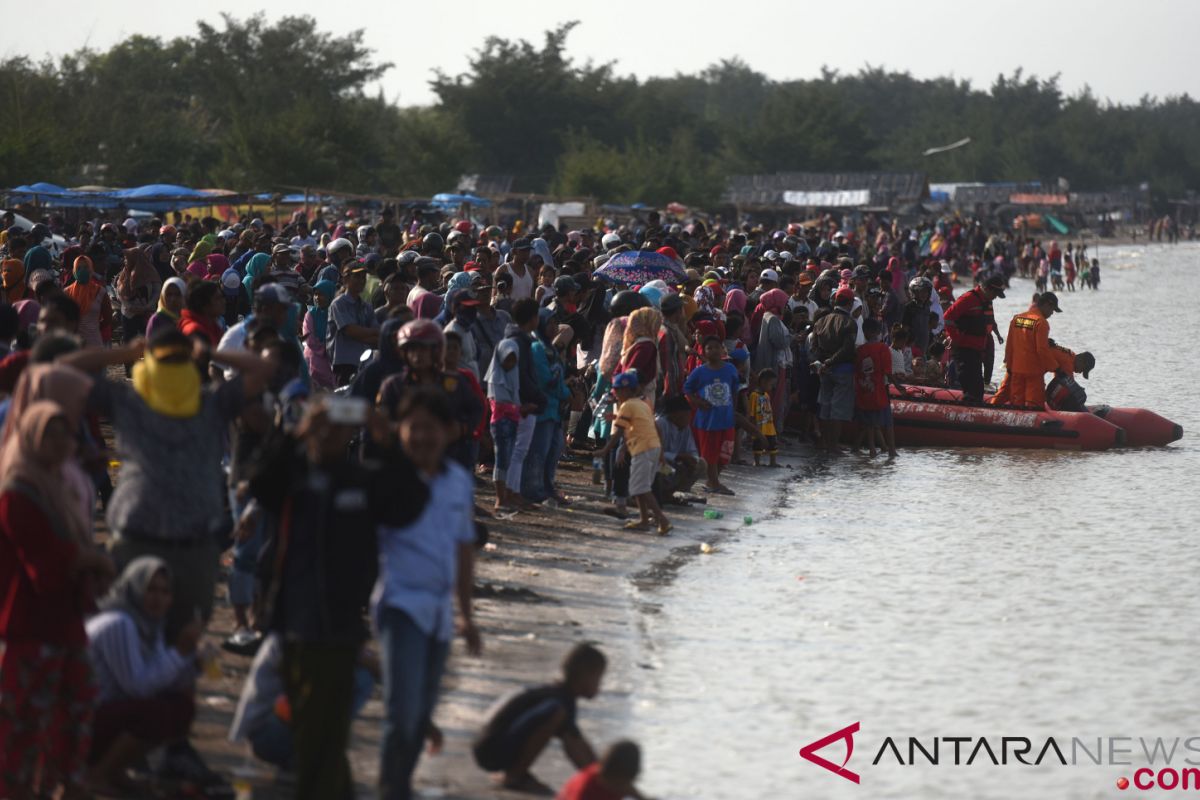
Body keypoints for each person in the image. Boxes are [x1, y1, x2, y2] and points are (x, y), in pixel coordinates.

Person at [245, 394, 430, 800]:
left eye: (339, 426)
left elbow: (411, 501)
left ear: (351, 432)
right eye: (323, 425)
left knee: (320, 736)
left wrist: (386, 440)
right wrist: (294, 433)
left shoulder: (360, 480)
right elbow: (259, 482)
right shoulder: (292, 479)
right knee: (317, 737)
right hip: (293, 622)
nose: (329, 433)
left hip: (341, 628)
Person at [61, 329, 273, 640]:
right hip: (160, 544)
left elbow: (67, 367)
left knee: (166, 651)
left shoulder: (142, 402)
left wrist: (128, 352)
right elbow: (262, 369)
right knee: (136, 645)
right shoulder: (203, 403)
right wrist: (207, 352)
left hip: (176, 544)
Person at [0, 401, 113, 800]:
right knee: (24, 731)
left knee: (73, 719)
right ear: (31, 437)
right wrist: (90, 559)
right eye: (52, 433)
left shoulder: (62, 487)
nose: (62, 442)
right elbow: (42, 562)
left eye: (66, 433)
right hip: (30, 628)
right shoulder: (17, 490)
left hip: (67, 623)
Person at [374, 386, 481, 800]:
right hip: (399, 603)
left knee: (420, 712)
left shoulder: (457, 481)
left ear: (449, 431)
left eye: (429, 428)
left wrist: (466, 615)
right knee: (401, 713)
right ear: (399, 430)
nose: (420, 437)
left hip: (439, 612)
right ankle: (391, 789)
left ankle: (400, 786)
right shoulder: (389, 478)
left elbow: (463, 550)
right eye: (412, 427)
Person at [85, 558, 201, 796]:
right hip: (81, 722)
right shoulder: (119, 622)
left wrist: (192, 662)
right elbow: (138, 687)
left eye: (164, 592)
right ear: (133, 588)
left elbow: (160, 678)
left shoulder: (150, 625)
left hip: (105, 714)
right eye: (150, 589)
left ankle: (114, 771)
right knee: (158, 712)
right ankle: (97, 776)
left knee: (181, 705)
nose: (157, 599)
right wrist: (179, 653)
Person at [474, 644, 608, 794]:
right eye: (599, 679)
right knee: (555, 714)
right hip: (491, 750)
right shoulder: (560, 702)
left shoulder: (560, 694)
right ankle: (515, 775)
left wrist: (602, 778)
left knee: (561, 721)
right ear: (585, 676)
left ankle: (517, 772)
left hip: (488, 746)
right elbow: (573, 748)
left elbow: (577, 743)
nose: (600, 686)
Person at [597, 371, 671, 534]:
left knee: (640, 488)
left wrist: (605, 450)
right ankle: (644, 520)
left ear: (625, 391)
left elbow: (618, 433)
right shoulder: (642, 404)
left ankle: (662, 519)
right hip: (653, 447)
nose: (614, 394)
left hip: (642, 449)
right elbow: (650, 424)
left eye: (616, 390)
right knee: (641, 486)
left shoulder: (627, 406)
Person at [683, 336, 740, 495]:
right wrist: (697, 402)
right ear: (704, 351)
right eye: (709, 348)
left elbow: (735, 390)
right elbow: (687, 390)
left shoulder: (730, 369)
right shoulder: (699, 372)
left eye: (717, 347)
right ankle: (714, 483)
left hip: (727, 419)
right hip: (707, 421)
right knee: (709, 453)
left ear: (723, 349)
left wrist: (734, 410)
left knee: (725, 453)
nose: (714, 351)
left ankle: (712, 480)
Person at [942, 274, 1005, 404]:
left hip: (978, 350)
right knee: (971, 389)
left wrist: (997, 335)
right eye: (995, 293)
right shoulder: (968, 299)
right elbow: (947, 317)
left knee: (978, 389)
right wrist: (956, 338)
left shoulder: (987, 301)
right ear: (987, 288)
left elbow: (989, 320)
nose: (995, 297)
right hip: (964, 350)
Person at [811, 288, 859, 453]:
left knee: (825, 407)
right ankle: (833, 446)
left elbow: (814, 347)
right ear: (850, 303)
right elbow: (847, 349)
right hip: (842, 369)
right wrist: (831, 362)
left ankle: (825, 443)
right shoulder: (849, 322)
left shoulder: (821, 321)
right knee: (838, 410)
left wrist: (822, 363)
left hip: (824, 370)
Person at [999, 292, 1062, 408]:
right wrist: (1056, 368)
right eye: (1052, 309)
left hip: (1016, 370)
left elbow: (1010, 345)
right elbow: (1042, 350)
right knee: (1035, 407)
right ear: (1047, 305)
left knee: (1017, 406)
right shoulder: (1041, 322)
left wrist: (1009, 365)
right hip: (1033, 373)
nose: (1052, 313)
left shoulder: (1017, 318)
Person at [327, 262, 379, 386]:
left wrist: (368, 334)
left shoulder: (367, 306)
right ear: (346, 279)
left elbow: (376, 338)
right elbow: (351, 331)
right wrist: (373, 332)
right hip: (345, 363)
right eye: (357, 277)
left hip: (364, 362)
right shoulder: (339, 304)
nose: (361, 281)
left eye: (363, 277)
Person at [485, 339, 522, 510]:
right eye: (507, 359)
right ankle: (499, 498)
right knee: (501, 459)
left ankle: (505, 496)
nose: (510, 363)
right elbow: (498, 404)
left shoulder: (512, 374)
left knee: (507, 459)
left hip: (513, 421)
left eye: (513, 359)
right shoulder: (496, 377)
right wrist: (519, 408)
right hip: (500, 422)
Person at [854, 318, 897, 458]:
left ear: (865, 332)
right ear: (878, 332)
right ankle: (891, 451)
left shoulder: (860, 350)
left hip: (864, 392)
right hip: (879, 391)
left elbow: (857, 373)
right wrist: (898, 385)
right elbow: (888, 372)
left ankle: (872, 450)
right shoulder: (883, 348)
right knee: (888, 423)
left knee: (869, 424)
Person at [653, 394, 705, 503]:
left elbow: (692, 451)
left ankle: (669, 494)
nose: (689, 418)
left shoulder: (685, 428)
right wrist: (678, 456)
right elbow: (654, 453)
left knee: (701, 464)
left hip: (675, 466)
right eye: (686, 414)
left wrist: (691, 460)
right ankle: (658, 493)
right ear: (675, 415)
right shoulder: (660, 424)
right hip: (660, 465)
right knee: (665, 469)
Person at [556, 740, 645, 800]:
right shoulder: (586, 789)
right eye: (618, 783)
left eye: (625, 783)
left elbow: (630, 791)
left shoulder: (620, 781)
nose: (621, 787)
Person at [62, 255, 113, 348]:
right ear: (74, 271)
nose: (82, 270)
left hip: (94, 343)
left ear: (91, 269)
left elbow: (108, 318)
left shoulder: (100, 292)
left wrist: (94, 327)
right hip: (73, 345)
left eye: (86, 267)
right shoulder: (67, 293)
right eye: (78, 268)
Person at [301, 278, 337, 389]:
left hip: (334, 355)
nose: (317, 298)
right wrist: (324, 350)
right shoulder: (311, 314)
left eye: (321, 295)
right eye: (315, 294)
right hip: (315, 355)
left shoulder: (337, 312)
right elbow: (309, 338)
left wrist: (331, 350)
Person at [748, 369, 779, 466]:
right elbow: (751, 413)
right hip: (759, 425)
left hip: (769, 425)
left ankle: (773, 462)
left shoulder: (766, 395)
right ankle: (757, 462)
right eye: (771, 384)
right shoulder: (754, 395)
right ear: (763, 381)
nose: (772, 387)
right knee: (758, 444)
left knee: (773, 444)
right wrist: (753, 427)